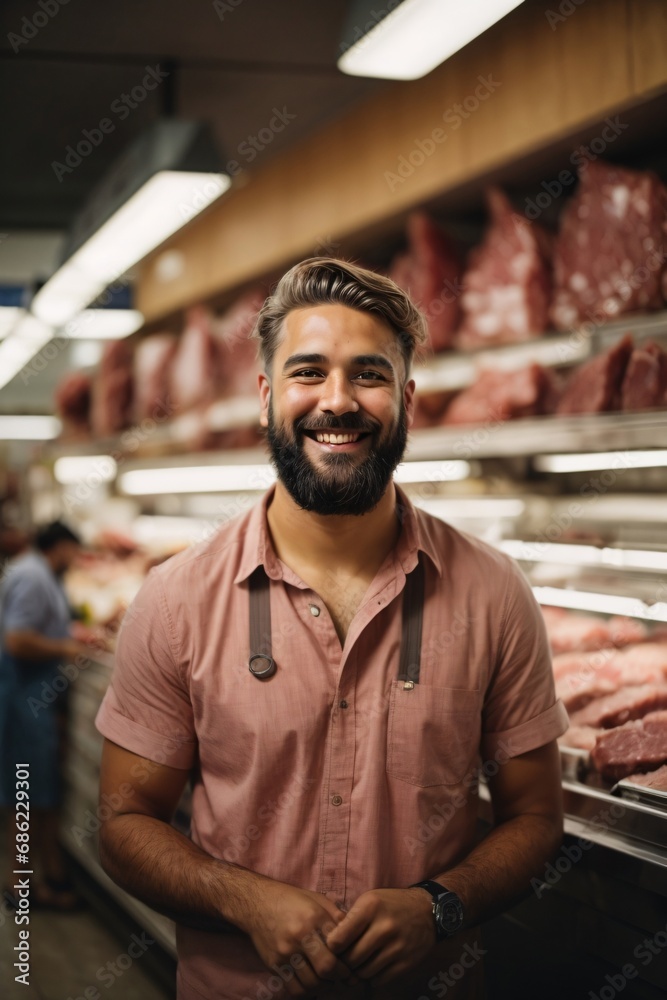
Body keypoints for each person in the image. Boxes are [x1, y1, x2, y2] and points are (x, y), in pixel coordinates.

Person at [96, 258, 568, 999]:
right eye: (308, 373)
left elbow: (536, 816)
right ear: (267, 395)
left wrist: (439, 907)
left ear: (406, 399)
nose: (338, 402)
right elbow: (124, 824)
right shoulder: (177, 599)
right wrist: (243, 899)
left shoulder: (493, 592)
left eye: (369, 375)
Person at [0, 520, 87, 909]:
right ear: (62, 546)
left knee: (33, 793)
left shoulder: (33, 569)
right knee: (25, 794)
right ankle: (20, 886)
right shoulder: (34, 577)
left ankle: (40, 876)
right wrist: (64, 649)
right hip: (24, 702)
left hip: (31, 700)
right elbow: (17, 639)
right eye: (73, 549)